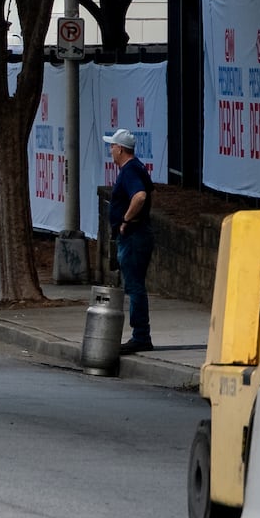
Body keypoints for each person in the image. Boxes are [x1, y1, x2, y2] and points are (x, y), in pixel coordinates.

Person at [105, 126, 157, 353]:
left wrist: (126, 220)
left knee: (135, 287)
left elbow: (140, 196)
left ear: (121, 150)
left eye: (113, 146)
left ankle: (141, 335)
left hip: (134, 236)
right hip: (136, 235)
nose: (110, 150)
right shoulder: (134, 169)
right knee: (134, 286)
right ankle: (140, 334)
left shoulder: (130, 171)